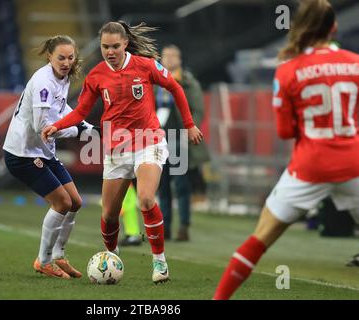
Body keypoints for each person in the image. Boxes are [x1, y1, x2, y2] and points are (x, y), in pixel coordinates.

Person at [213, 0, 359, 299]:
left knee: (259, 239)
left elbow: (284, 131)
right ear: (333, 27)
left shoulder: (288, 70)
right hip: (354, 163)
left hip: (310, 166)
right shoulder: (356, 63)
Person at [42, 21, 203, 283]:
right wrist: (56, 126)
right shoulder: (96, 75)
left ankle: (159, 262)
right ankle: (111, 256)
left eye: (115, 46)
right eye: (105, 47)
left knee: (146, 200)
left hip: (148, 141)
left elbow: (175, 87)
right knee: (108, 214)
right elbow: (81, 111)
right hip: (117, 149)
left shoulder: (146, 65)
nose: (110, 51)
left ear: (125, 43)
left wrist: (189, 124)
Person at [3, 35, 98, 279]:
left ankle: (59, 255)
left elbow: (61, 108)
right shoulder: (44, 81)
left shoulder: (62, 77)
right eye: (61, 58)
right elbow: (41, 126)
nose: (66, 62)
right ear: (49, 57)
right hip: (22, 153)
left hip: (43, 152)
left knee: (75, 202)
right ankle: (43, 261)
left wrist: (84, 123)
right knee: (62, 203)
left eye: (70, 57)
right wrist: (77, 129)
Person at [156, 44, 210, 241]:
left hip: (178, 138)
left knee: (181, 185)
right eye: (166, 56)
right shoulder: (155, 82)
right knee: (162, 186)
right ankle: (166, 227)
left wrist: (189, 130)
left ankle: (184, 226)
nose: (169, 59)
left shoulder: (188, 82)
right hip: (159, 140)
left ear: (179, 60)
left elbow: (198, 109)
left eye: (173, 56)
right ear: (161, 59)